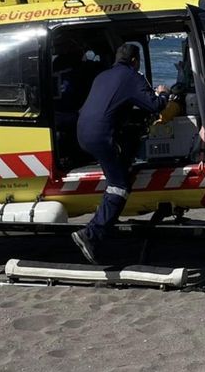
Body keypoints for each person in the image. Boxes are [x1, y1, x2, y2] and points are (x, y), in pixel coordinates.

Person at [71, 43, 169, 264]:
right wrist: (164, 94)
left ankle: (101, 231)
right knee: (119, 186)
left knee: (123, 158)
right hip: (101, 138)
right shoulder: (132, 77)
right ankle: (91, 234)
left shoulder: (102, 76)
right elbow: (154, 106)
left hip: (82, 132)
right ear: (135, 61)